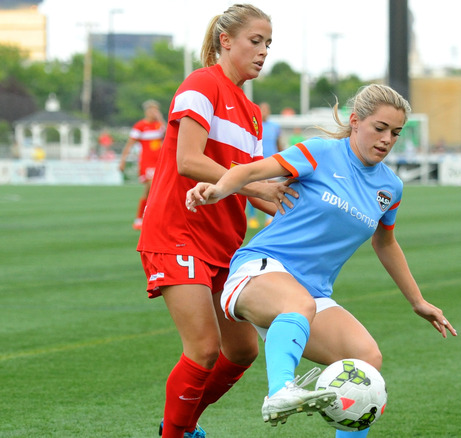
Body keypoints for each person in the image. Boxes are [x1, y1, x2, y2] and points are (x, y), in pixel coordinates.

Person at [186, 84, 458, 437]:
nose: (387, 139)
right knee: (297, 305)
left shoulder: (390, 188)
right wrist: (216, 190)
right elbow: (251, 172)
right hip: (259, 270)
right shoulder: (320, 153)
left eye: (395, 132)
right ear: (356, 122)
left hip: (311, 295)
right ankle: (280, 392)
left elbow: (386, 243)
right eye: (380, 128)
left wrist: (418, 301)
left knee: (366, 360)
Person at [135, 5, 296, 438]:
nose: (263, 52)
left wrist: (309, 210)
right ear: (226, 41)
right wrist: (252, 189)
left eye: (268, 44)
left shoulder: (252, 111)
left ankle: (180, 424)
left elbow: (251, 183)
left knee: (241, 350)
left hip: (225, 242)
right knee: (204, 349)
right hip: (178, 232)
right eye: (255, 41)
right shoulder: (200, 85)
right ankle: (176, 433)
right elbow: (189, 161)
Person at [119, 99, 167, 230]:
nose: (154, 112)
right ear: (146, 111)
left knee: (151, 191)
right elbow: (129, 144)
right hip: (147, 163)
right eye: (152, 109)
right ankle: (143, 218)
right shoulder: (140, 126)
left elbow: (169, 135)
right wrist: (122, 160)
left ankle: (142, 218)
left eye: (156, 110)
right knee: (152, 186)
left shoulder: (159, 125)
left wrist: (161, 119)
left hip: (160, 162)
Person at [247, 101, 284, 228]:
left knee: (273, 189)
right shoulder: (254, 125)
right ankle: (253, 218)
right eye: (263, 109)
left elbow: (279, 144)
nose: (265, 112)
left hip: (273, 163)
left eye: (267, 110)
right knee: (254, 189)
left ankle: (270, 218)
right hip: (258, 163)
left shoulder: (275, 126)